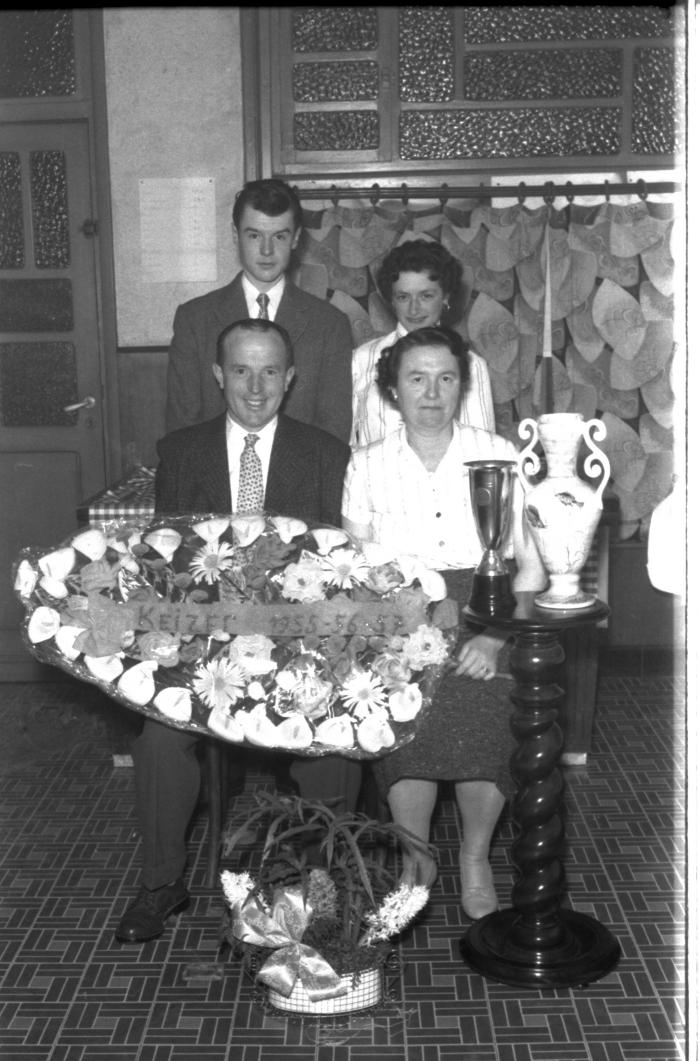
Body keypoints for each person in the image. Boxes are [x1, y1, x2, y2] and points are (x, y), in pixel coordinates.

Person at [116, 318, 362, 944]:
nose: (257, 388)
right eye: (243, 371)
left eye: (271, 371)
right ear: (219, 375)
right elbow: (170, 562)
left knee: (332, 738)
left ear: (291, 378)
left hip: (297, 637)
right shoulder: (182, 451)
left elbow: (337, 568)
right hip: (206, 639)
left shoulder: (326, 454)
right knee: (158, 737)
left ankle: (321, 890)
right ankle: (161, 883)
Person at [342, 326, 545, 920]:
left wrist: (494, 635)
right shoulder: (366, 464)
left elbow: (528, 567)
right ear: (392, 390)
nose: (432, 392)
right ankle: (415, 857)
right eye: (416, 378)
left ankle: (476, 857)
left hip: (488, 611)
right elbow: (355, 573)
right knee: (406, 722)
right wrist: (395, 639)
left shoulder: (499, 453)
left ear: (463, 385)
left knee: (486, 719)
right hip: (399, 620)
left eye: (446, 378)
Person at [165, 177, 353, 443]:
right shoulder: (195, 320)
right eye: (254, 235)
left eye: (279, 236)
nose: (266, 250)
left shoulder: (329, 324)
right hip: (215, 479)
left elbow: (333, 434)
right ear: (235, 235)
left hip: (301, 480)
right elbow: (181, 432)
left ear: (297, 238)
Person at [351, 240, 495, 448]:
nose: (414, 309)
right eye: (403, 297)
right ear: (391, 299)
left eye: (426, 296)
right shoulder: (361, 359)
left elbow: (483, 447)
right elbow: (348, 445)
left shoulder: (471, 364)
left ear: (445, 296)